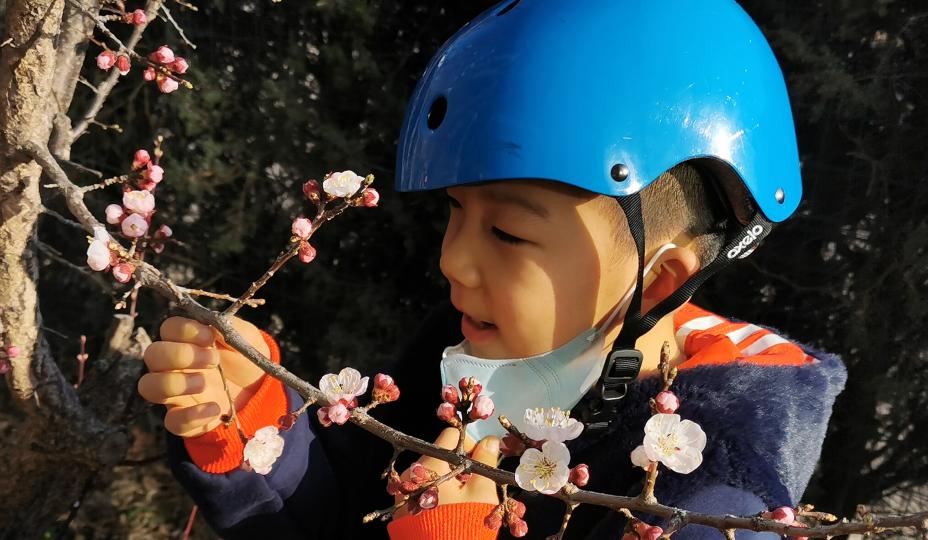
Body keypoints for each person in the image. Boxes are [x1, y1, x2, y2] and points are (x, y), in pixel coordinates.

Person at [138, 0, 848, 538]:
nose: (452, 260)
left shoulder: (714, 503)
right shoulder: (485, 348)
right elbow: (345, 502)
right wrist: (259, 427)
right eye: (455, 210)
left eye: (508, 232)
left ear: (655, 283)